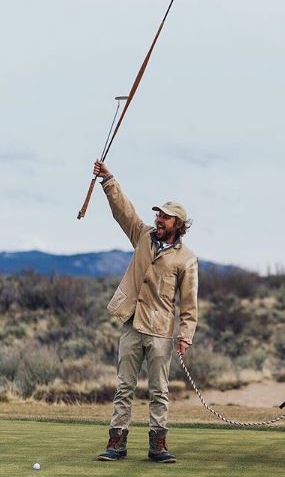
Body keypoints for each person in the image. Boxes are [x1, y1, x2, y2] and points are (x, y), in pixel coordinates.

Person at [93, 160, 198, 463]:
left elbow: (190, 303)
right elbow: (123, 210)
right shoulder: (141, 235)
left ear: (178, 224)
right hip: (131, 324)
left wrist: (186, 334)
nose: (159, 219)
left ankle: (158, 446)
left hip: (161, 331)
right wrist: (108, 179)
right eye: (159, 214)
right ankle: (116, 444)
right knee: (124, 387)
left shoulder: (187, 260)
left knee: (159, 391)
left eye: (165, 216)